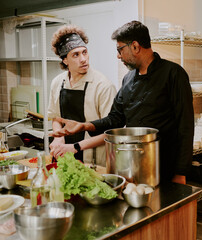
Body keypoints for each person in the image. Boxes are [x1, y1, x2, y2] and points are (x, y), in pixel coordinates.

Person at [51, 20, 194, 184]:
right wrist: (85, 126)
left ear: (135, 46)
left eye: (120, 49)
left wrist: (181, 172)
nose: (118, 55)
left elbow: (186, 126)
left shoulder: (173, 74)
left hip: (165, 165)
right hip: (133, 163)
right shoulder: (128, 79)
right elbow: (115, 119)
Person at [48, 24, 117, 166]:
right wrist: (59, 137)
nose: (83, 59)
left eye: (84, 52)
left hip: (94, 160)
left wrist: (75, 147)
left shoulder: (102, 85)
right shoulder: (57, 82)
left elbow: (112, 132)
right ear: (65, 60)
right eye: (76, 55)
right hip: (65, 156)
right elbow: (56, 117)